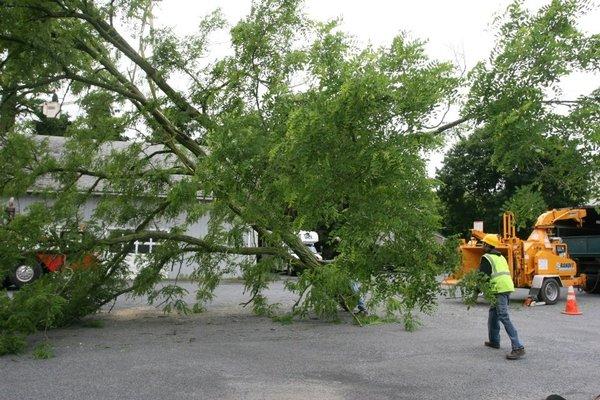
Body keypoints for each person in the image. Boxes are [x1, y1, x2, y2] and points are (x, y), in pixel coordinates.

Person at [479, 234, 525, 360]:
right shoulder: (501, 257)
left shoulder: (487, 257)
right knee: (493, 314)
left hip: (500, 289)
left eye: (484, 244)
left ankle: (518, 347)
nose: (482, 246)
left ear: (488, 245)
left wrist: (475, 290)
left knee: (503, 316)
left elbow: (482, 276)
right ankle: (494, 341)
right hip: (505, 287)